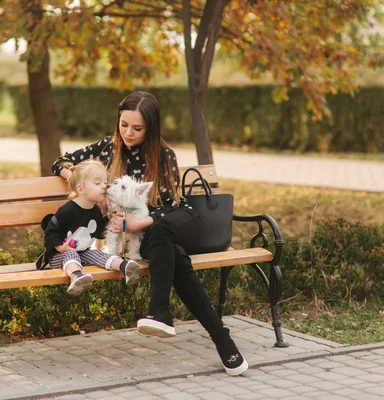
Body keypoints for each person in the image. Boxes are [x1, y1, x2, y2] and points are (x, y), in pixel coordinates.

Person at [52, 91, 248, 376]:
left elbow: (173, 205)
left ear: (152, 128)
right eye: (123, 125)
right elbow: (61, 161)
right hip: (151, 240)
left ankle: (160, 310)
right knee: (174, 257)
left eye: (137, 128)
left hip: (174, 222)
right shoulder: (108, 147)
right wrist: (80, 181)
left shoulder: (163, 154)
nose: (128, 133)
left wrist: (140, 223)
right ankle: (221, 340)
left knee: (162, 231)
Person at [43, 159, 142, 295]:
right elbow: (50, 231)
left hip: (82, 252)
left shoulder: (95, 210)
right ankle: (76, 277)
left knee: (97, 253)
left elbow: (97, 233)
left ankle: (125, 267)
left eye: (105, 182)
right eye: (97, 183)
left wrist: (108, 217)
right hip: (58, 256)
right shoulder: (68, 210)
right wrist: (59, 247)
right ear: (80, 189)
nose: (104, 186)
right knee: (71, 254)